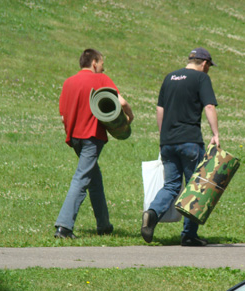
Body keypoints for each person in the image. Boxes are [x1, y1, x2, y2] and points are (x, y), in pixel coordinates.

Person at [141, 47, 220, 246]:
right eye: (209, 66)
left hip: (168, 142)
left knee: (171, 186)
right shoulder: (201, 79)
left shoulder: (169, 78)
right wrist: (216, 134)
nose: (208, 70)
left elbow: (160, 109)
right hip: (190, 141)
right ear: (204, 63)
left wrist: (163, 137)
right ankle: (188, 235)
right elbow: (209, 106)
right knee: (197, 186)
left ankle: (152, 213)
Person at [54, 49, 134, 239]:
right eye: (101, 63)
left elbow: (63, 114)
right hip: (92, 137)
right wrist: (130, 117)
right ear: (95, 62)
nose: (102, 67)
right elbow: (121, 103)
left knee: (94, 179)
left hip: (75, 138)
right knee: (82, 178)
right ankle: (64, 226)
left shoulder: (68, 82)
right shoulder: (100, 79)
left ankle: (104, 225)